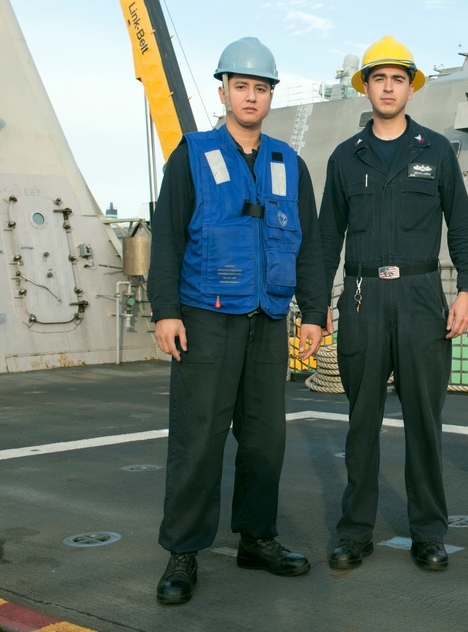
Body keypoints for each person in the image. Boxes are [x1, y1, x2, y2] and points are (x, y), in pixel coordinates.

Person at [148, 37, 327, 605]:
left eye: (261, 88)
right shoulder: (193, 155)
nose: (251, 96)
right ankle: (183, 552)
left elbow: (311, 246)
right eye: (242, 86)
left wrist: (315, 313)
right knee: (197, 440)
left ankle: (257, 538)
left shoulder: (287, 163)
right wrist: (166, 311)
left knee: (265, 442)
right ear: (223, 91)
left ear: (272, 96)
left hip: (268, 320)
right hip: (206, 319)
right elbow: (168, 236)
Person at [319, 36, 468, 572]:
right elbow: (326, 239)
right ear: (365, 87)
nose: (388, 87)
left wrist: (467, 290)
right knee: (360, 419)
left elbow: (461, 226)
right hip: (364, 298)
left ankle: (429, 533)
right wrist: (317, 305)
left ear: (410, 87)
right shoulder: (346, 157)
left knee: (423, 421)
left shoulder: (435, 151)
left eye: (398, 79)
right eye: (379, 78)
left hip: (420, 297)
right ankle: (354, 531)